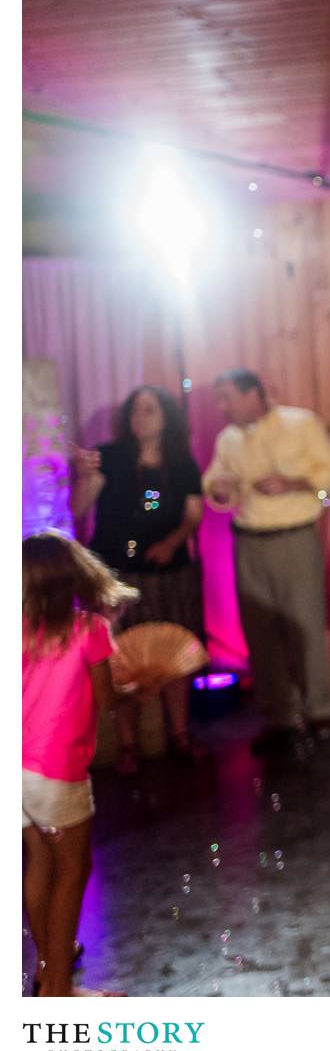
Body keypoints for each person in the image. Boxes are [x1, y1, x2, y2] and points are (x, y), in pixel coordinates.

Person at [203, 369, 330, 756]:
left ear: (254, 394)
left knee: (304, 625)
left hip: (294, 538)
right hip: (248, 541)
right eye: (219, 399)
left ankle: (319, 713)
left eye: (227, 397)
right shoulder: (228, 439)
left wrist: (293, 482)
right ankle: (280, 716)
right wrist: (219, 489)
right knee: (259, 632)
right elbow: (214, 482)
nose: (222, 407)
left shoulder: (301, 423)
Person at [23, 532, 136, 997]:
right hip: (57, 770)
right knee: (73, 867)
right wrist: (136, 688)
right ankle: (57, 989)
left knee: (38, 863)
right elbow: (106, 698)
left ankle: (49, 965)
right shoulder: (89, 630)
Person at [71, 385, 207, 773]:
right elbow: (80, 507)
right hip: (118, 569)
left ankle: (179, 734)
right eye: (134, 411)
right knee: (124, 656)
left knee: (174, 651)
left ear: (166, 416)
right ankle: (128, 744)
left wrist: (171, 542)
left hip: (168, 569)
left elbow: (193, 514)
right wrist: (85, 477)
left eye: (149, 410)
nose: (140, 417)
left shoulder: (181, 462)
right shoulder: (111, 457)